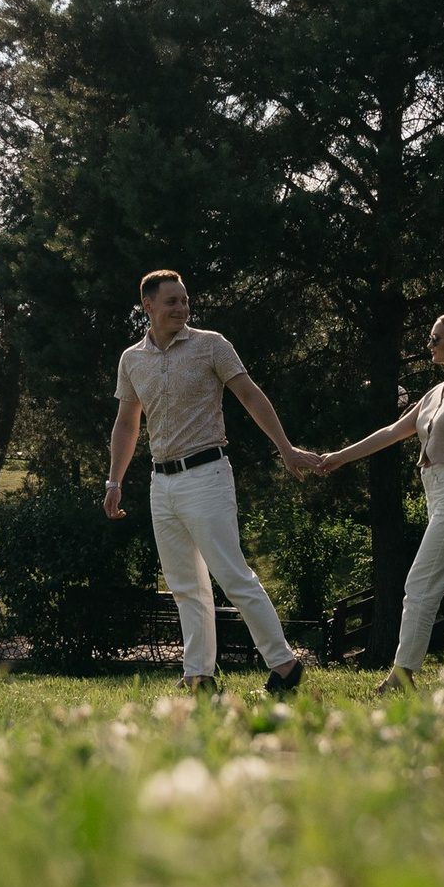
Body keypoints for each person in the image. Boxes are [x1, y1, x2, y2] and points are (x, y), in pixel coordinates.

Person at [106, 269, 311, 693]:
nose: (181, 308)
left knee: (231, 575)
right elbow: (127, 423)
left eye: (184, 300)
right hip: (160, 483)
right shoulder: (132, 359)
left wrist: (286, 448)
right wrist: (114, 480)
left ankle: (285, 664)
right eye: (171, 302)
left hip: (207, 473)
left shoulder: (211, 345)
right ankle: (199, 675)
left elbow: (251, 395)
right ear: (147, 305)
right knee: (184, 584)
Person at [312, 311, 444, 691]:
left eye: (436, 338)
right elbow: (392, 432)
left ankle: (403, 674)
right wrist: (339, 457)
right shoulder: (435, 393)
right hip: (436, 491)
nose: (429, 344)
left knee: (418, 585)